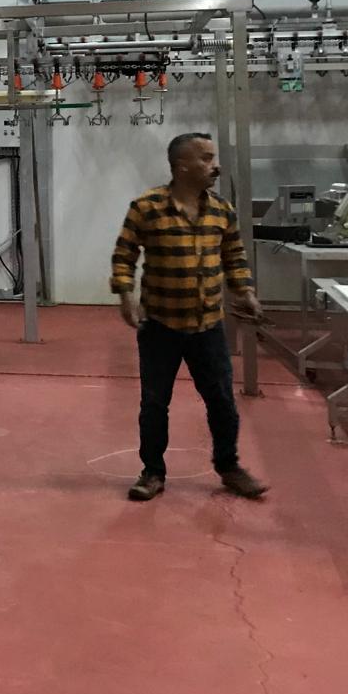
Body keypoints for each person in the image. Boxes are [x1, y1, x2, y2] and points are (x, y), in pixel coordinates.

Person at [109, 132, 269, 502]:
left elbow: (234, 257)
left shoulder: (221, 211)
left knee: (222, 401)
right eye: (207, 158)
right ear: (182, 166)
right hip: (160, 327)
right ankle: (152, 472)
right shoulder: (147, 207)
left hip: (208, 326)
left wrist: (245, 292)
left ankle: (229, 467)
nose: (216, 166)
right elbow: (124, 254)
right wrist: (125, 296)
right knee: (154, 404)